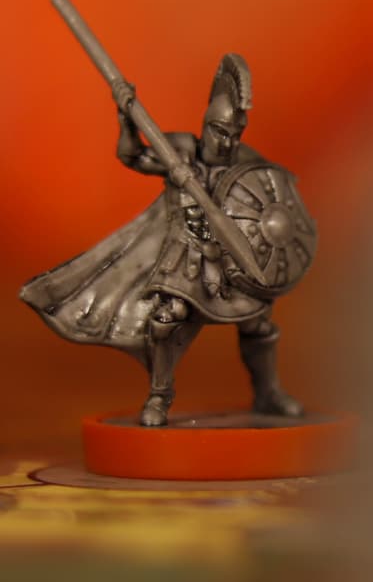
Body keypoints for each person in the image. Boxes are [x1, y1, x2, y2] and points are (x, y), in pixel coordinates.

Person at [21, 54, 305, 427]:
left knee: (259, 324)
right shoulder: (180, 150)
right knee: (166, 318)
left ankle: (268, 392)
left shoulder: (245, 161)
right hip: (185, 253)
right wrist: (126, 118)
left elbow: (271, 198)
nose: (227, 142)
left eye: (235, 134)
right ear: (206, 124)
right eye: (220, 131)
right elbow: (132, 155)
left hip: (229, 262)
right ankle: (160, 395)